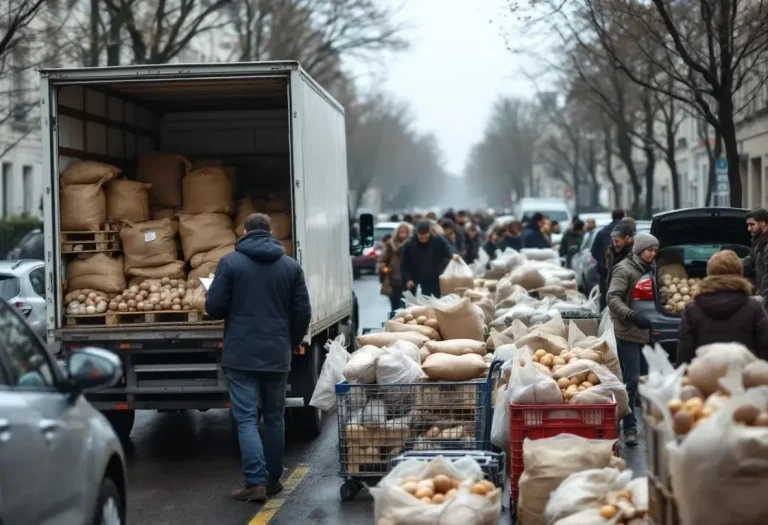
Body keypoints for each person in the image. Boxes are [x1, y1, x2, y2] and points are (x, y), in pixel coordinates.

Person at [206, 213, 311, 502]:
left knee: (247, 420)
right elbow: (303, 312)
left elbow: (214, 307)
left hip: (241, 355)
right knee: (275, 418)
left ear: (244, 231)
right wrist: (288, 342)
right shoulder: (290, 266)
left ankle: (255, 483)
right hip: (277, 354)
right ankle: (273, 479)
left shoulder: (230, 263)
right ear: (271, 232)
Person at [606, 232, 658, 447]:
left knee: (646, 379)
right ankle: (629, 427)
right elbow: (612, 297)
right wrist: (631, 315)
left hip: (645, 331)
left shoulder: (650, 269)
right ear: (639, 250)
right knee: (632, 380)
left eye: (655, 250)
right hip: (628, 331)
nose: (653, 254)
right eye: (649, 250)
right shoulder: (625, 269)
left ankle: (645, 422)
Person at [677, 250, 768, 366]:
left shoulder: (692, 309)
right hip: (744, 378)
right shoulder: (754, 307)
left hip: (704, 379)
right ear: (740, 272)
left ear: (709, 273)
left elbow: (685, 353)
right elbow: (764, 350)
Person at [401, 220, 457, 297]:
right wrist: (408, 279)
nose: (424, 240)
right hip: (417, 281)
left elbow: (448, 248)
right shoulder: (410, 244)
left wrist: (453, 254)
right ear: (417, 234)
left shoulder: (437, 239)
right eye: (421, 238)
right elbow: (404, 264)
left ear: (430, 233)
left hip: (435, 279)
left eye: (426, 237)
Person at [592, 209, 626, 310]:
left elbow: (594, 250)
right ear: (623, 217)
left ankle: (604, 316)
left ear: (612, 216)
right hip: (622, 269)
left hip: (604, 270)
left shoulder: (602, 232)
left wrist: (602, 262)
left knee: (605, 294)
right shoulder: (626, 232)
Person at [380, 222, 412, 316]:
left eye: (405, 232)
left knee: (406, 305)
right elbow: (383, 260)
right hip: (393, 278)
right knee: (394, 305)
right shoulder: (390, 244)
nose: (403, 235)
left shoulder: (411, 244)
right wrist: (385, 268)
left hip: (407, 279)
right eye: (401, 232)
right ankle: (394, 322)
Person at [743, 208, 768, 303]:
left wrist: (762, 298)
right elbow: (749, 259)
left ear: (763, 223)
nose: (749, 229)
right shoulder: (759, 242)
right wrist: (727, 262)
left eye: (752, 224)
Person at [606, 222, 634, 288]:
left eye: (617, 241)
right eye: (613, 241)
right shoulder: (611, 252)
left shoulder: (635, 253)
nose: (614, 244)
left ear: (627, 239)